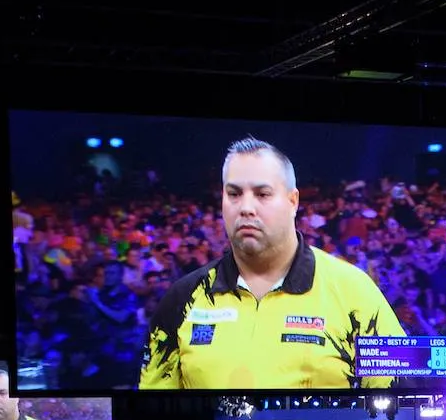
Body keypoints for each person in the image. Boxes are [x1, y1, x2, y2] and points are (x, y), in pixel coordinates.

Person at [139, 136, 407, 389]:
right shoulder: (182, 299)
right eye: (234, 193)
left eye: (262, 194)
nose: (246, 207)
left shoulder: (353, 291)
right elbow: (150, 417)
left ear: (293, 201)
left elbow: (402, 404)